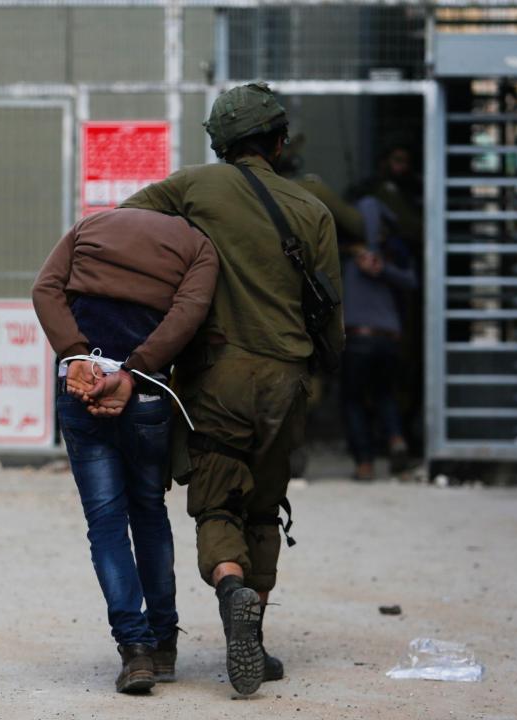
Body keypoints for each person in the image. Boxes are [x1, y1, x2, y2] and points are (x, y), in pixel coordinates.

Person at [121, 82, 344, 696]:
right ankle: (255, 636)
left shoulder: (193, 186)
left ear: (220, 142)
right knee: (264, 508)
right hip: (285, 377)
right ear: (278, 141)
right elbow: (331, 317)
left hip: (216, 375)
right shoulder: (312, 209)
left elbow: (121, 226)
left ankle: (229, 585)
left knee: (217, 501)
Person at [32, 207, 218, 693]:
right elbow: (188, 314)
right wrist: (133, 372)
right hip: (147, 396)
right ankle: (162, 646)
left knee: (106, 522)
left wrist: (75, 355)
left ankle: (133, 650)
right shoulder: (197, 245)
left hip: (79, 388)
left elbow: (45, 289)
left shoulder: (89, 227)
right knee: (149, 513)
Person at [340, 195, 418, 480]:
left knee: (353, 400)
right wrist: (383, 269)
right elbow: (411, 282)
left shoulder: (345, 255)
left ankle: (364, 464)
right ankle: (396, 439)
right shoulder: (393, 253)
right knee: (386, 395)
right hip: (389, 338)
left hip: (358, 337)